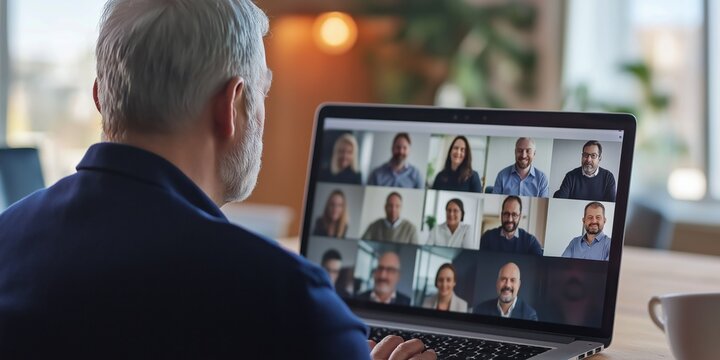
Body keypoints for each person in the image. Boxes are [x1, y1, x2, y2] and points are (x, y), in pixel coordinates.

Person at [0, 1, 437, 359]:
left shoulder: (7, 241)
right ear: (231, 105)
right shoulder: (290, 305)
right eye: (262, 93)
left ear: (101, 97)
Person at [472, 263, 538, 321]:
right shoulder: (480, 310)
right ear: (497, 283)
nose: (507, 285)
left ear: (519, 285)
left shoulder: (530, 316)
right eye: (503, 279)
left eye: (512, 280)